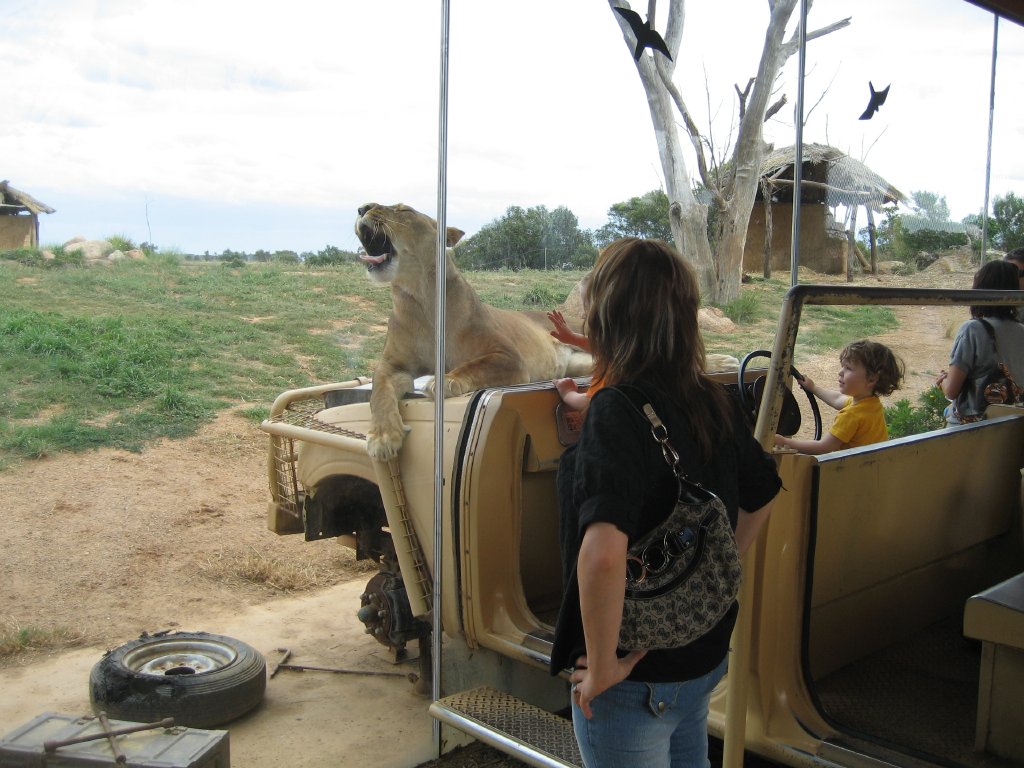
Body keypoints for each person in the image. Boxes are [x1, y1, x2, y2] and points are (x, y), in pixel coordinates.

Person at [549, 238, 781, 768]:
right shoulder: (709, 397)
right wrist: (715, 567)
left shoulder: (614, 409)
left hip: (634, 676)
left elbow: (603, 555)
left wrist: (604, 664)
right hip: (701, 650)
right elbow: (763, 491)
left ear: (607, 316)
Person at [774, 340, 904, 454]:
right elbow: (837, 399)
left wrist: (783, 441)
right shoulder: (870, 404)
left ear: (871, 379)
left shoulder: (852, 415)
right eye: (842, 366)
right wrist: (814, 388)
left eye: (848, 368)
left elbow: (823, 447)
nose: (840, 372)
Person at [936, 259, 1024, 425]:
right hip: (1009, 426)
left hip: (972, 428)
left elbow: (952, 391)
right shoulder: (1021, 330)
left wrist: (942, 381)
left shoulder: (972, 329)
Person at [548, 307, 598, 412]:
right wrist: (573, 338)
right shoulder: (629, 359)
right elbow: (605, 351)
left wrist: (568, 394)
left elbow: (592, 403)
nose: (584, 316)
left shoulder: (615, 374)